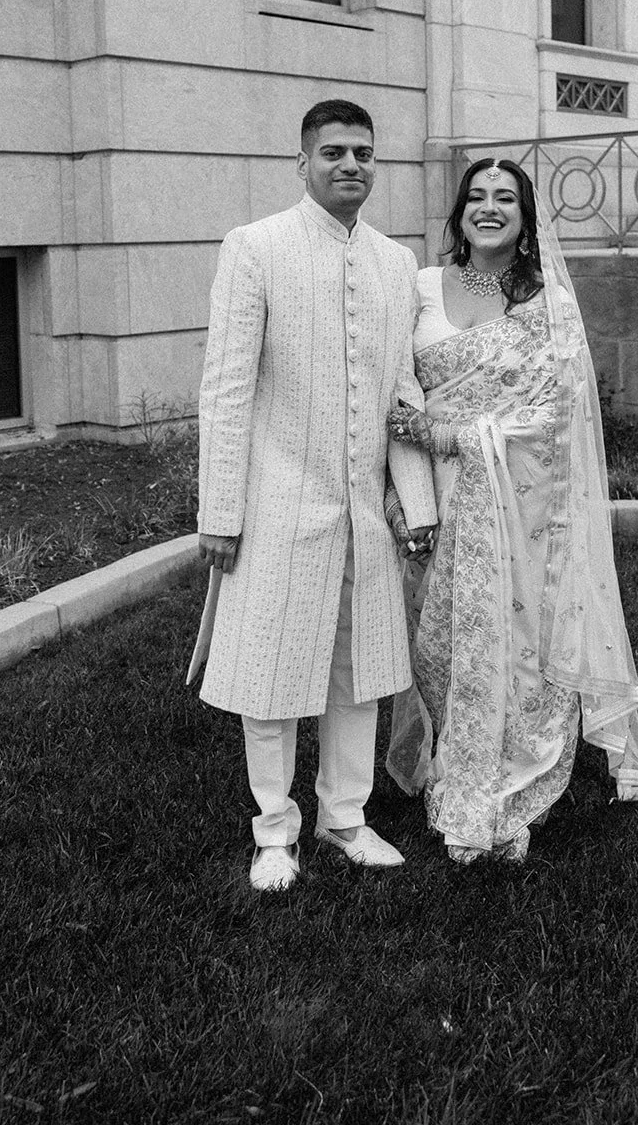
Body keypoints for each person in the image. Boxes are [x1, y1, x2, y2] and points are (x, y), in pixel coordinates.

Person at [386, 157, 638, 864]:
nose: (489, 207)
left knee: (514, 642)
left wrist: (451, 436)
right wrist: (403, 487)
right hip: (433, 495)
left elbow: (557, 416)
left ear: (525, 215)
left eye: (504, 198)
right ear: (459, 213)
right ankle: (455, 758)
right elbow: (395, 392)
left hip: (521, 499)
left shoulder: (548, 300)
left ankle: (503, 783)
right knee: (437, 644)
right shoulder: (421, 286)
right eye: (476, 196)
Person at [190, 99, 438, 891]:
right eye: (332, 152)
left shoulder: (396, 263)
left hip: (363, 513)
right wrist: (220, 514)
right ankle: (273, 831)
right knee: (269, 674)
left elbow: (403, 393)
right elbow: (226, 390)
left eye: (362, 152)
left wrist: (417, 506)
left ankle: (344, 818)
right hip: (276, 505)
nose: (349, 165)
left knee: (358, 672)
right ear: (302, 164)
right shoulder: (255, 246)